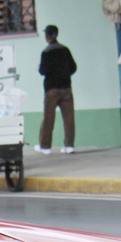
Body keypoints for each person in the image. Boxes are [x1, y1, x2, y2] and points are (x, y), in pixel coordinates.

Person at [36, 24, 78, 155]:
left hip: (51, 90)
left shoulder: (46, 52)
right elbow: (73, 67)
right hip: (66, 88)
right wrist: (64, 74)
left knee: (48, 118)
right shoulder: (66, 50)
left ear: (47, 37)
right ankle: (69, 146)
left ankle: (45, 146)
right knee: (69, 118)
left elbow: (43, 71)